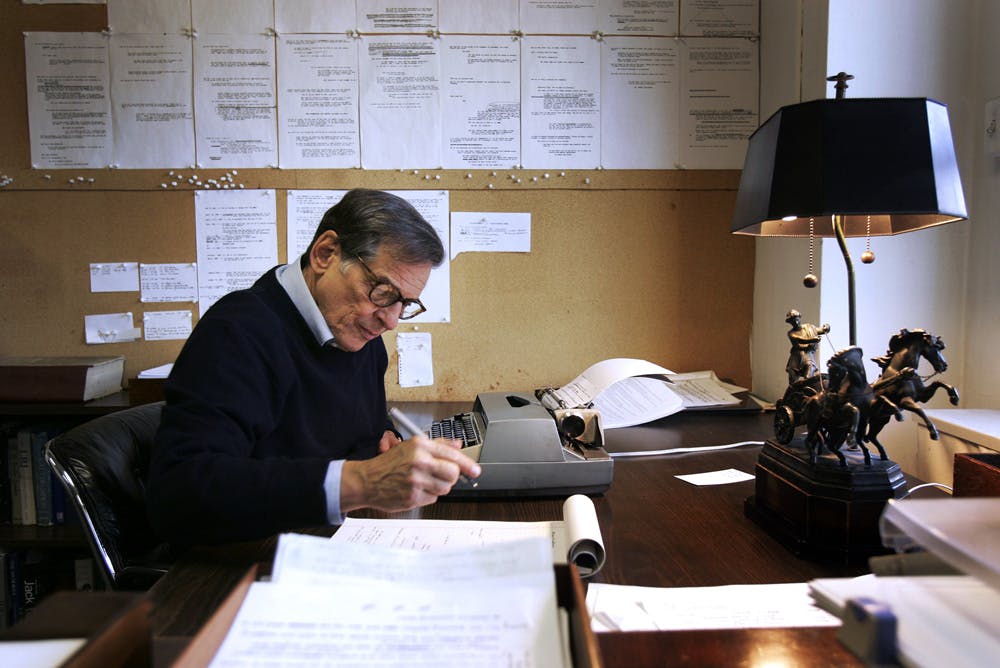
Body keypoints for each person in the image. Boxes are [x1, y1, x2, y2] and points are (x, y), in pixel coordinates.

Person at [146, 189, 481, 548]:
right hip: (242, 565)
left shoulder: (357, 334)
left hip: (333, 540)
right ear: (326, 253)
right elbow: (181, 492)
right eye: (383, 292)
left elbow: (355, 422)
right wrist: (363, 481)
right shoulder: (238, 331)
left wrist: (385, 440)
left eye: (405, 304)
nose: (391, 320)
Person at [784, 309, 830, 385]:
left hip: (808, 355)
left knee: (809, 369)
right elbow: (800, 340)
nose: (795, 322)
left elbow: (821, 330)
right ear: (790, 322)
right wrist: (812, 339)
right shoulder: (791, 333)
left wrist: (826, 327)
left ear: (799, 318)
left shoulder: (809, 327)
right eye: (792, 321)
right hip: (796, 357)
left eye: (796, 319)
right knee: (792, 378)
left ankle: (807, 388)